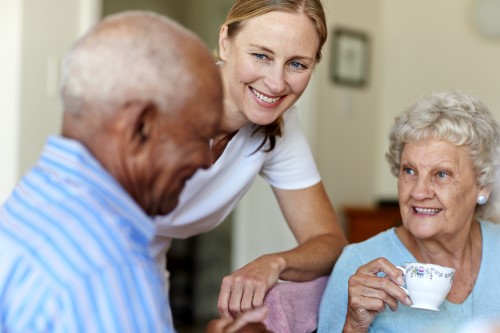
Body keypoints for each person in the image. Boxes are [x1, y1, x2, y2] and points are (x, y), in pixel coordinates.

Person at [0, 10, 269, 333]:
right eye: (199, 135)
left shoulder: (31, 202)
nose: (205, 161)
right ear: (139, 127)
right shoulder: (109, 268)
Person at [152, 0, 348, 319]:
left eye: (297, 64)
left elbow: (329, 241)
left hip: (146, 273)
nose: (276, 83)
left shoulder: (280, 128)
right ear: (225, 42)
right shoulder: (162, 101)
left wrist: (275, 262)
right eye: (261, 55)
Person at [317, 90, 500, 333]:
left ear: (483, 186)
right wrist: (354, 325)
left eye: (441, 174)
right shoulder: (359, 265)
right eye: (409, 171)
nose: (419, 191)